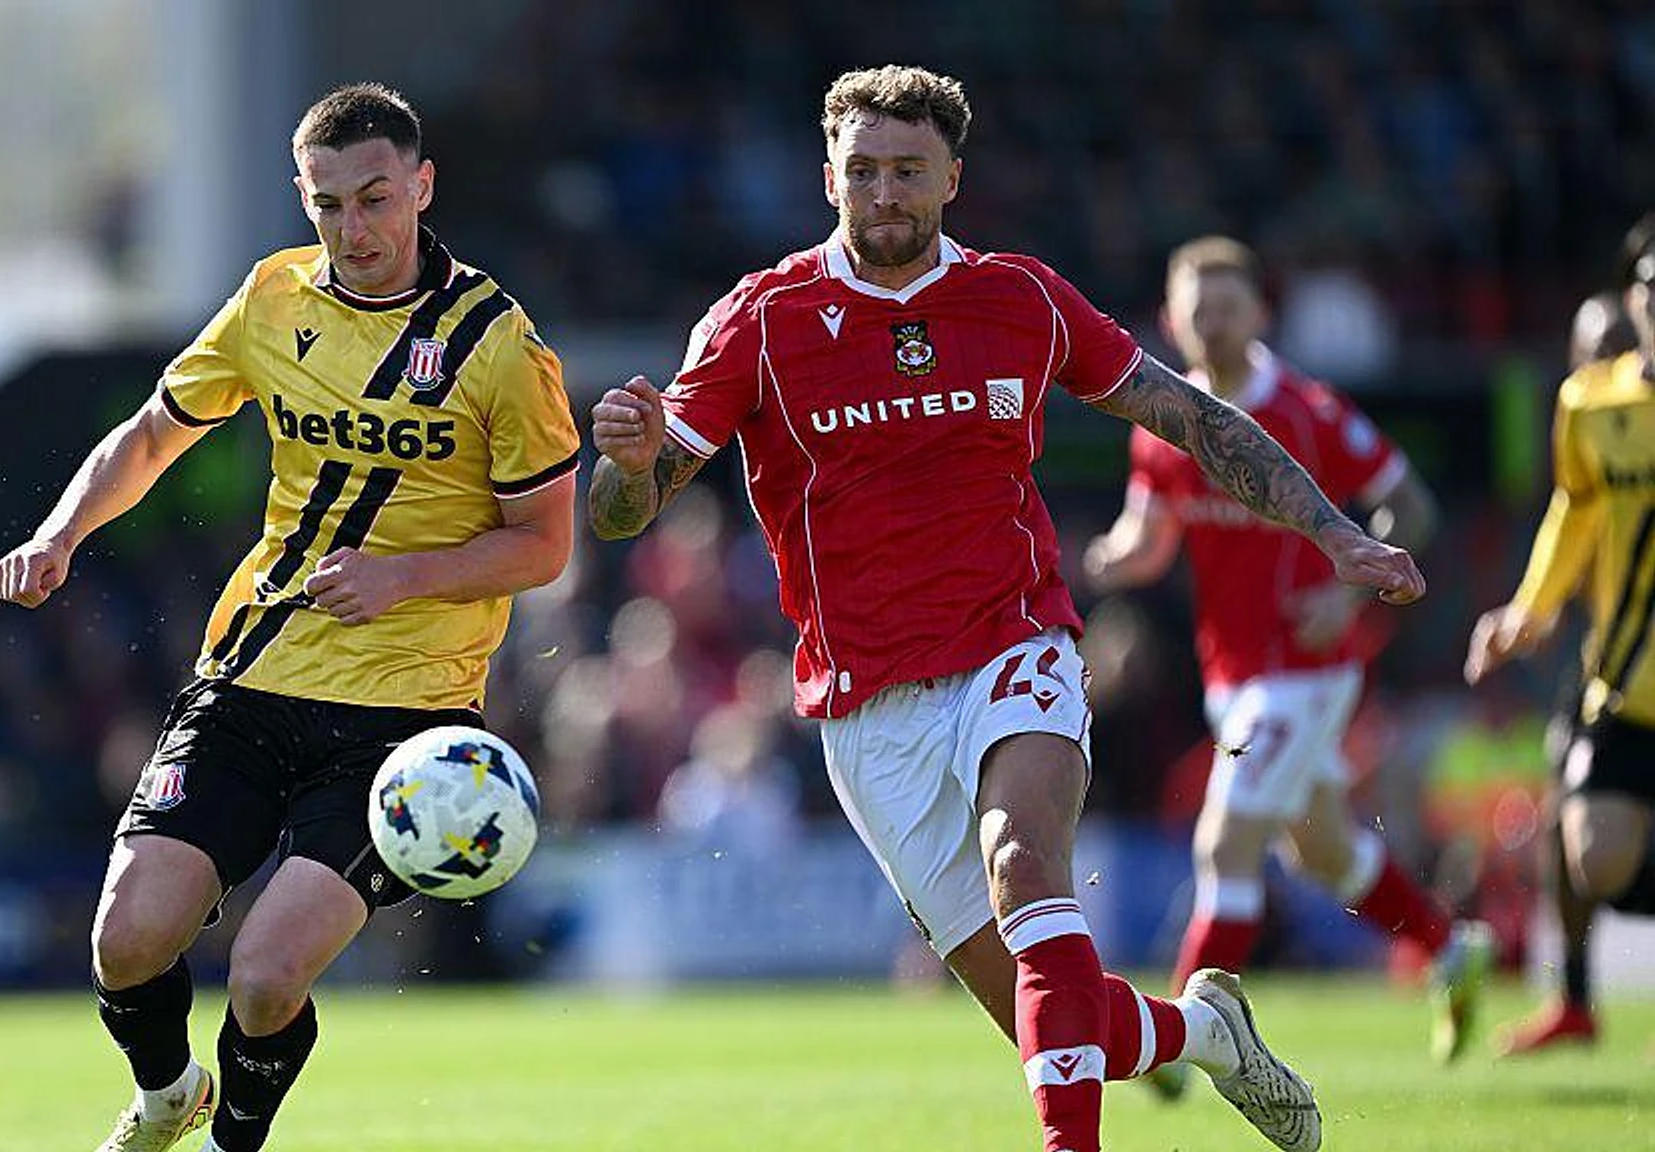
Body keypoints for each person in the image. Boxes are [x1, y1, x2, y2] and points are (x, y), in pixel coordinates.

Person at [590, 65, 1424, 1152]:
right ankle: (1208, 1034)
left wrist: (1334, 532)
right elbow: (626, 512)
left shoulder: (1019, 298)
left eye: (907, 171)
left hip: (1013, 644)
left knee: (1024, 866)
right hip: (863, 705)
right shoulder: (761, 319)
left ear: (952, 178)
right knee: (1054, 1015)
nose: (883, 192)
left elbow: (1189, 416)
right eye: (861, 171)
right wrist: (627, 467)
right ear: (827, 178)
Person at [0, 83, 579, 1152]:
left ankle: (234, 1141)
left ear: (422, 186)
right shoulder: (273, 297)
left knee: (265, 978)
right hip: (248, 678)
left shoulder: (498, 344)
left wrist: (401, 579)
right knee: (126, 942)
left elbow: (544, 543)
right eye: (327, 204)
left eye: (375, 199)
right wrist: (61, 534)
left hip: (402, 719)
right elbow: (152, 433)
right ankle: (168, 1096)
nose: (353, 229)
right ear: (302, 197)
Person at [1082, 237, 1494, 1081]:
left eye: (1229, 307)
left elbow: (1410, 505)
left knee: (1224, 843)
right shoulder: (1164, 420)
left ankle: (1182, 1038)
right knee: (1324, 852)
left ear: (1260, 313)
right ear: (1172, 320)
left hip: (1308, 673)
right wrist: (1108, 558)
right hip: (1230, 677)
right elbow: (1149, 538)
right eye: (1199, 310)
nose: (1214, 324)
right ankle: (1451, 946)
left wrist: (1349, 595)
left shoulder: (1307, 410)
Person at [1468, 216, 1655, 1058]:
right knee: (1594, 855)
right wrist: (1528, 610)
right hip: (1619, 667)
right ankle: (1573, 996)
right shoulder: (1592, 404)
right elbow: (1572, 513)